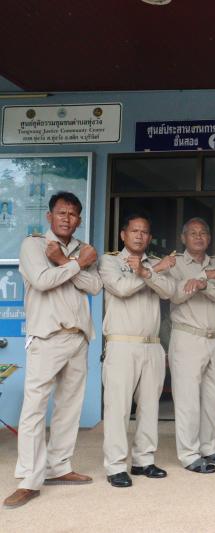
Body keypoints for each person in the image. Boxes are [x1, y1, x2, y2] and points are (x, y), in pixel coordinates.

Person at [4, 192, 101, 509]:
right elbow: (43, 280)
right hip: (46, 337)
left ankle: (59, 466)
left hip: (78, 337)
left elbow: (95, 286)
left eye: (72, 214)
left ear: (79, 220)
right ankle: (29, 480)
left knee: (69, 407)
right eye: (61, 212)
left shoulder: (84, 249)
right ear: (49, 216)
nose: (66, 218)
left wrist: (66, 262)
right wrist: (76, 265)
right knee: (34, 410)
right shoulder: (33, 245)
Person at [98, 213, 176, 488]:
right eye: (134, 231)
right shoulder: (110, 261)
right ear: (123, 234)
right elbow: (121, 288)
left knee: (150, 407)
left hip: (152, 344)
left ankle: (144, 460)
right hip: (121, 343)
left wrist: (149, 271)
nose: (139, 236)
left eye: (144, 232)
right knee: (118, 408)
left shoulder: (155, 263)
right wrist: (148, 273)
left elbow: (169, 291)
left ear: (149, 237)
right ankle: (116, 465)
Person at [166, 217, 215, 474]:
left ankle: (209, 447)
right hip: (188, 338)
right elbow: (175, 294)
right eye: (192, 233)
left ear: (209, 237)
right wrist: (205, 277)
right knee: (188, 399)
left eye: (203, 232)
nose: (198, 237)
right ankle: (189, 454)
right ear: (183, 238)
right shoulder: (175, 263)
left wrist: (203, 284)